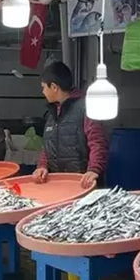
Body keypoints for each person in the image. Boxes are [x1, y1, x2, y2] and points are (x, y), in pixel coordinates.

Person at [33, 61, 108, 189]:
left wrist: (93, 170)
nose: (43, 92)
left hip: (83, 185)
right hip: (59, 185)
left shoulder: (85, 108)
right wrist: (42, 166)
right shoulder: (52, 113)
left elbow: (98, 142)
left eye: (44, 87)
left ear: (54, 87)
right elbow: (48, 145)